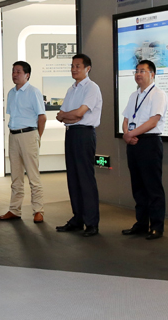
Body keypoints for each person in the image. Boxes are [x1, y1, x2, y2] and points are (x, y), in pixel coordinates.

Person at [55, 54, 102, 237]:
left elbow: (79, 114)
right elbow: (60, 115)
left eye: (78, 66)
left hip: (84, 134)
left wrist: (69, 116)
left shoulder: (92, 88)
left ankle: (91, 223)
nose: (74, 69)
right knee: (73, 178)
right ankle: (78, 219)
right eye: (72, 66)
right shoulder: (71, 89)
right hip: (71, 133)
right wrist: (69, 116)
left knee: (85, 178)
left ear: (87, 68)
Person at [120, 59, 168, 240]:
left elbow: (153, 121)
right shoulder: (134, 95)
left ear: (152, 74)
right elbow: (126, 118)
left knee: (152, 187)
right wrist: (127, 133)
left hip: (149, 143)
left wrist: (130, 134)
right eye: (137, 71)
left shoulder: (158, 94)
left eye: (142, 71)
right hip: (133, 143)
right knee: (138, 186)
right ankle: (141, 223)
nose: (138, 74)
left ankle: (156, 226)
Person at [0, 61, 46, 223]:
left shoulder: (33, 92)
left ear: (27, 75)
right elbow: (13, 115)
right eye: (13, 71)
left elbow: (42, 117)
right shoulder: (11, 93)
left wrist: (37, 137)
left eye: (18, 71)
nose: (14, 74)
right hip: (13, 136)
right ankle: (14, 209)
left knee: (33, 176)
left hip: (29, 135)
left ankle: (38, 210)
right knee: (16, 176)